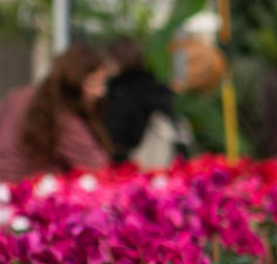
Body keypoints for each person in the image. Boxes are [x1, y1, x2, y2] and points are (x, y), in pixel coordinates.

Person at [0, 42, 111, 182]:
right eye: (93, 83)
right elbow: (98, 168)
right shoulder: (63, 117)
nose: (101, 92)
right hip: (29, 195)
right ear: (73, 83)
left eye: (102, 83)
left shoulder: (17, 96)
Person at [101, 35, 181, 167]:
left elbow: (116, 137)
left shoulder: (119, 92)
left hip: (130, 168)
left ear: (115, 61)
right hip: (165, 164)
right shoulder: (158, 89)